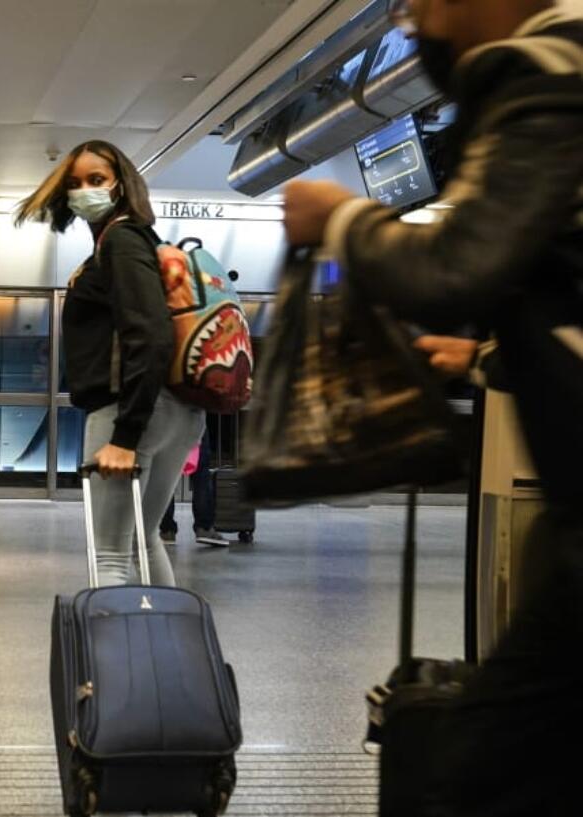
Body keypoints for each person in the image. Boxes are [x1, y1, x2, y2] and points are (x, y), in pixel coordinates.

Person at [283, 2, 583, 814]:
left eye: (422, 2)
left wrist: (339, 218)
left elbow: (458, 267)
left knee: (483, 769)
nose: (414, 21)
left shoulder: (541, 68)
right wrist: (484, 358)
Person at [17, 141, 204, 586]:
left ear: (121, 184)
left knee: (111, 556)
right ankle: (167, 648)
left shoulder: (120, 241)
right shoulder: (138, 239)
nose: (85, 192)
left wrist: (125, 435)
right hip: (177, 410)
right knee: (144, 540)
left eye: (97, 180)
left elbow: (150, 334)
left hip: (130, 410)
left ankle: (115, 657)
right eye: (75, 184)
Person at [159, 425, 230, 547]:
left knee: (165, 471)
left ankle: (166, 529)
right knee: (201, 472)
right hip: (193, 416)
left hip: (166, 417)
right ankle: (204, 527)